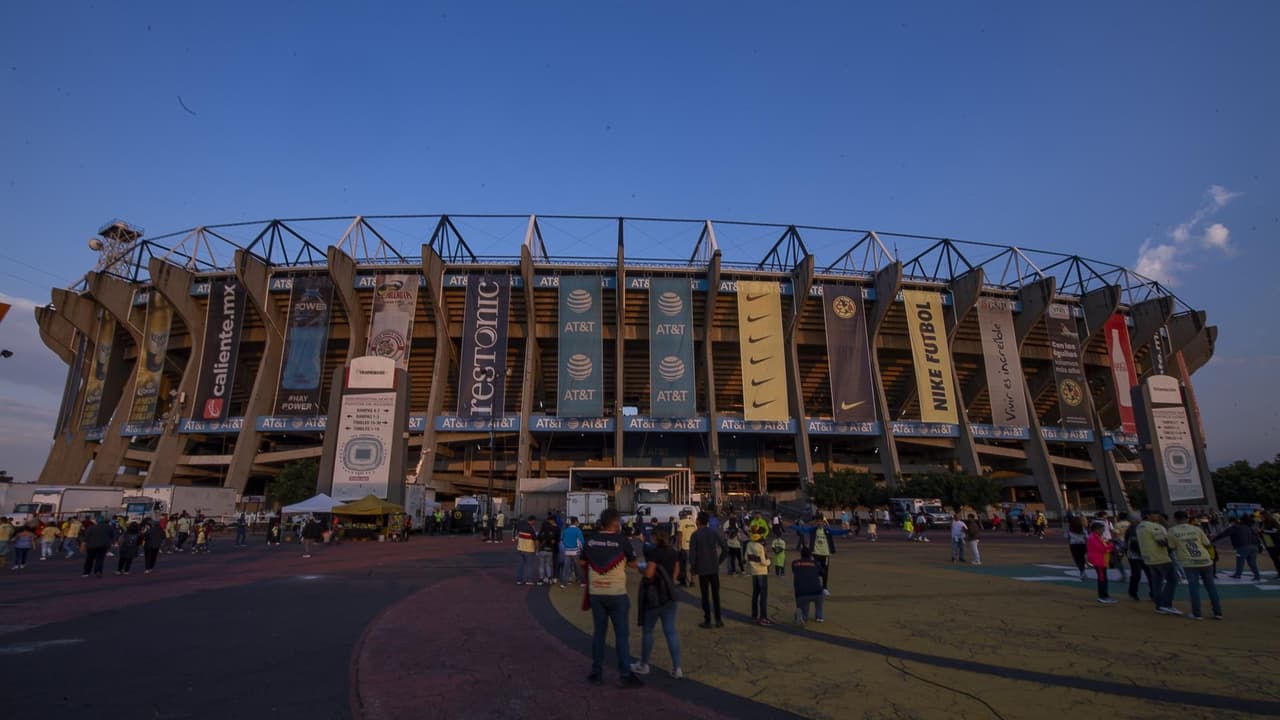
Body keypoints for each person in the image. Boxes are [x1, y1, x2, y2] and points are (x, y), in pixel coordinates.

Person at [579, 509, 642, 688]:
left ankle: (596, 672)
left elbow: (582, 562)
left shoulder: (590, 539)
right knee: (621, 636)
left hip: (597, 593)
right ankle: (625, 674)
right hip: (616, 593)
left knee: (599, 634)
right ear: (614, 523)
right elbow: (632, 563)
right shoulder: (622, 540)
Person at [631, 527, 683, 679]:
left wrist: (642, 570)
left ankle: (644, 664)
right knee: (670, 631)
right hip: (670, 595)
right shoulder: (673, 552)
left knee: (648, 631)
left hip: (655, 596)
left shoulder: (654, 553)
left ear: (656, 537)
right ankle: (677, 667)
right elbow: (676, 572)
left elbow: (649, 574)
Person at [1169, 510, 1222, 620]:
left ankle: (1197, 613)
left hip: (1189, 562)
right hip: (1205, 560)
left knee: (1194, 588)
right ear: (1187, 518)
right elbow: (1207, 544)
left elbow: (1171, 546)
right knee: (1211, 587)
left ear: (1175, 519)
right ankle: (1217, 612)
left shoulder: (1172, 531)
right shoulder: (1196, 529)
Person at [1137, 510, 1181, 615]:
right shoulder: (1154, 526)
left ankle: (1159, 605)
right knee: (1173, 580)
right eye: (1155, 514)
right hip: (1161, 557)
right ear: (1148, 515)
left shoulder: (1140, 526)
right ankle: (1166, 604)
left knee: (1157, 582)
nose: (1157, 516)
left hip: (1148, 558)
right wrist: (1173, 543)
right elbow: (1161, 541)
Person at [688, 511, 727, 629]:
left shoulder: (695, 535)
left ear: (699, 521)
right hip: (713, 568)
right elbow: (725, 548)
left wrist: (693, 568)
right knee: (716, 595)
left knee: (705, 595)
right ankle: (719, 620)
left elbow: (692, 554)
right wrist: (718, 562)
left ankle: (708, 620)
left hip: (702, 569)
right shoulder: (714, 532)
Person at [1214, 516, 1263, 581]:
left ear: (1232, 522)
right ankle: (1257, 576)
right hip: (1254, 547)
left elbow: (1223, 534)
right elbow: (1256, 536)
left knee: (1240, 561)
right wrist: (1259, 546)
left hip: (1242, 547)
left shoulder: (1234, 527)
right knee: (1252, 562)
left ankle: (1238, 574)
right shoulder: (1248, 527)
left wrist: (1212, 540)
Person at [804, 514, 838, 596]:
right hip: (815, 554)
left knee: (825, 572)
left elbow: (837, 532)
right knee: (814, 571)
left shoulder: (827, 530)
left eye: (821, 521)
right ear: (816, 522)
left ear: (823, 522)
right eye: (818, 521)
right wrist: (792, 526)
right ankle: (815, 588)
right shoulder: (813, 530)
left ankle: (825, 588)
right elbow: (803, 529)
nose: (819, 523)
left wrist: (847, 531)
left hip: (825, 554)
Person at [1123, 512, 1153, 601]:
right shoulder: (1134, 529)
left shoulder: (1133, 528)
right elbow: (1133, 543)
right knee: (1141, 574)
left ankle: (1133, 592)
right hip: (1137, 554)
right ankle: (1150, 593)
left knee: (1138, 574)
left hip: (1136, 554)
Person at [746, 526, 773, 625]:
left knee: (755, 594)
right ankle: (763, 618)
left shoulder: (749, 544)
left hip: (754, 571)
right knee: (763, 596)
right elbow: (763, 562)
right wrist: (769, 562)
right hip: (762, 572)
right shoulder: (760, 547)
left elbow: (746, 558)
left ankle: (754, 616)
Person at [792, 547, 825, 625]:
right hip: (816, 591)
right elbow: (822, 573)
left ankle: (803, 617)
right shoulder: (816, 563)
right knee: (819, 602)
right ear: (810, 555)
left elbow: (795, 571)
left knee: (804, 607)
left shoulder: (794, 563)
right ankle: (819, 617)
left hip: (801, 593)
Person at [1086, 522, 1116, 604]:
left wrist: (1109, 545)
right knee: (1102, 579)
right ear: (1096, 529)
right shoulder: (1093, 538)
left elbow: (1104, 547)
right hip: (1098, 561)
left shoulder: (1097, 537)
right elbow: (1103, 549)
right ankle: (1102, 596)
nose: (1103, 531)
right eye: (1101, 529)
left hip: (1101, 560)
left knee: (1103, 578)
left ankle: (1104, 595)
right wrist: (1111, 545)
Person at [560, 517, 584, 587]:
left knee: (566, 567)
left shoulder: (566, 530)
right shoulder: (578, 530)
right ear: (576, 522)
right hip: (575, 551)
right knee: (578, 567)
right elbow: (582, 541)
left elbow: (563, 540)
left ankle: (564, 583)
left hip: (567, 551)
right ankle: (581, 581)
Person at [537, 514, 560, 586]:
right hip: (551, 550)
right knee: (549, 565)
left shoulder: (542, 532)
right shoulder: (555, 529)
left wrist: (537, 549)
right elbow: (556, 540)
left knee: (541, 565)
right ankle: (550, 578)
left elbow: (538, 540)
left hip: (542, 550)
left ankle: (541, 579)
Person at [676, 510, 698, 587]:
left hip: (684, 547)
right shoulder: (693, 523)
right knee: (692, 565)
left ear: (681, 516)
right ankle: (692, 581)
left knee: (683, 565)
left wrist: (678, 546)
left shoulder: (680, 522)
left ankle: (684, 582)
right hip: (693, 547)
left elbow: (680, 535)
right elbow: (696, 534)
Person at [515, 515, 538, 585]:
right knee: (529, 565)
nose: (534, 523)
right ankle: (529, 580)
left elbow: (517, 536)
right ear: (532, 521)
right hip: (529, 549)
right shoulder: (531, 529)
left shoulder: (520, 526)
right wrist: (536, 549)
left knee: (520, 565)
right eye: (534, 522)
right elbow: (535, 539)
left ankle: (519, 580)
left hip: (520, 548)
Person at [1066, 515, 1089, 580]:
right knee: (1082, 557)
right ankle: (1084, 567)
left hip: (1073, 545)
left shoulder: (1069, 528)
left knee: (1077, 558)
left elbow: (1066, 537)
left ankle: (1082, 571)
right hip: (1082, 544)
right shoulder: (1082, 528)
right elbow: (1087, 537)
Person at [1260, 511, 1280, 576]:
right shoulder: (1263, 523)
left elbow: (1275, 531)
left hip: (1275, 543)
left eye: (1262, 516)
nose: (1261, 518)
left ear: (1266, 516)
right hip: (1269, 543)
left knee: (1276, 558)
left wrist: (1263, 531)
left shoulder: (1272, 521)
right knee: (1274, 559)